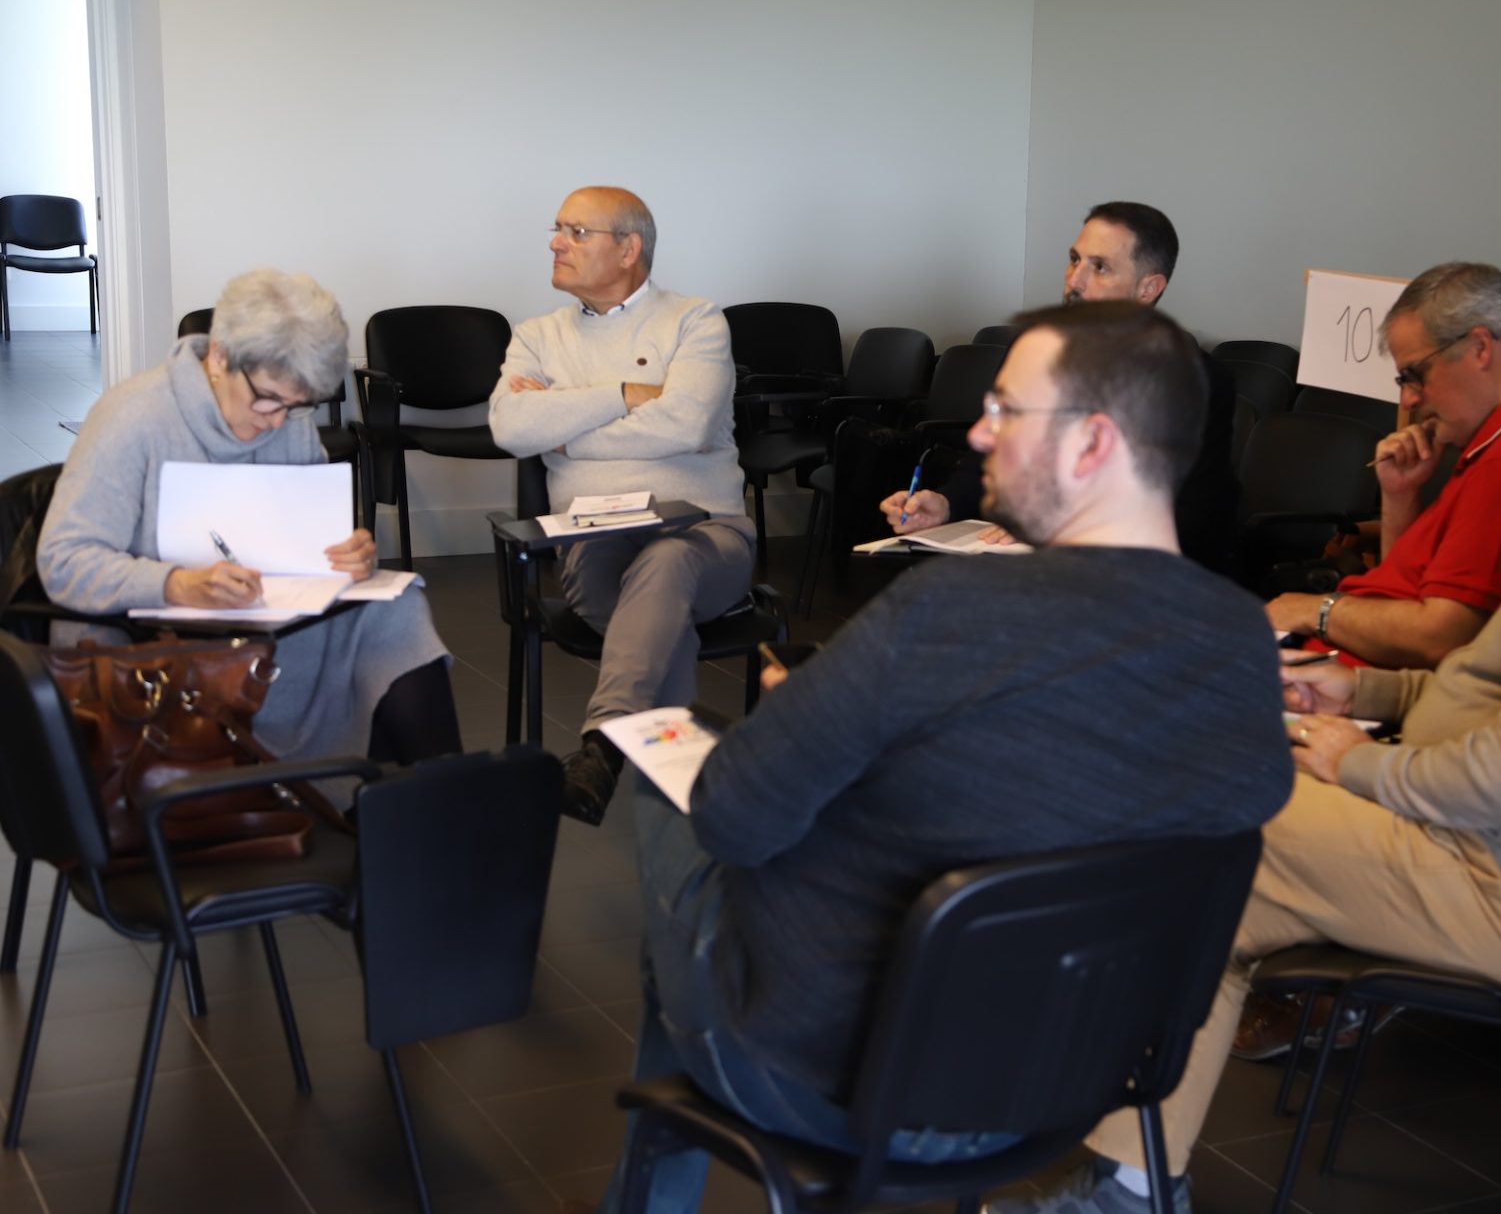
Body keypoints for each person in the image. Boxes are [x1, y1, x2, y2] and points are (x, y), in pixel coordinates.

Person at [1003, 283, 1501, 1214]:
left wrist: (1352, 761)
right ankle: (1129, 1176)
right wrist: (1363, 691)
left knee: (1200, 824)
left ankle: (1087, 1138)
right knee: (1204, 890)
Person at [597, 301, 1293, 1214]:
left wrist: (800, 724)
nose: (978, 432)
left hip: (843, 1085)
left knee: (671, 783)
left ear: (1093, 441)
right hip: (1079, 1080)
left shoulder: (946, 612)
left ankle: (649, 1194)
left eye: (1006, 410)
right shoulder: (1243, 641)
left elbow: (736, 820)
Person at [37, 269, 460, 781]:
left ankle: (440, 800)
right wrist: (176, 583)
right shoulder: (132, 418)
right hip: (158, 652)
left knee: (397, 610)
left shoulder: (287, 418)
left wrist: (349, 551)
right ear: (219, 357)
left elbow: (312, 535)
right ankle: (365, 800)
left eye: (297, 404)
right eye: (268, 398)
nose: (277, 421)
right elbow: (63, 561)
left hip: (266, 624)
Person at [488, 187, 754, 824]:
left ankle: (603, 745)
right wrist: (627, 393)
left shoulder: (696, 320)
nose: (556, 243)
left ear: (629, 248)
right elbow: (510, 428)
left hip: (708, 535)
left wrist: (566, 432)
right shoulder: (537, 336)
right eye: (558, 229)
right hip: (595, 541)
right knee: (662, 614)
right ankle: (683, 797)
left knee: (669, 560)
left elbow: (688, 423)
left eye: (576, 232)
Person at [880, 202, 1240, 570]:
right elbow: (988, 462)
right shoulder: (1032, 354)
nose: (1074, 281)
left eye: (1099, 267)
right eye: (1074, 260)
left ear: (1148, 288)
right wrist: (947, 503)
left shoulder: (1195, 380)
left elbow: (1195, 514)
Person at [1263, 262, 1501, 670]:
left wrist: (1315, 610)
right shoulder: (1493, 440)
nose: (1408, 399)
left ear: (1480, 348)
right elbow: (1403, 592)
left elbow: (1439, 638)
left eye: (1414, 374)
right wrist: (1399, 495)